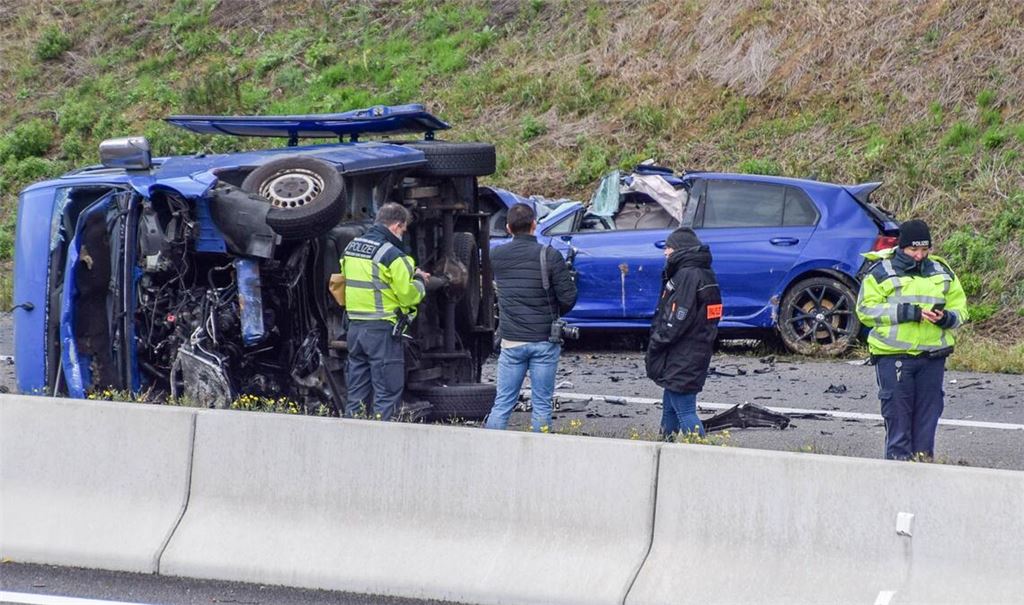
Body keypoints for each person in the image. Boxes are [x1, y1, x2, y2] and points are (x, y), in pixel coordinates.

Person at [856, 219, 968, 461]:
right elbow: (865, 310)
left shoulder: (942, 271)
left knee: (927, 424)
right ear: (901, 247)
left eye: (924, 250)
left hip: (932, 357)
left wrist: (945, 318)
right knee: (898, 422)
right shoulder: (879, 272)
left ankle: (923, 470)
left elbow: (961, 310)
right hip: (894, 358)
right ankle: (896, 477)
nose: (919, 255)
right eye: (913, 250)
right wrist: (911, 313)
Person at [485, 203, 577, 432]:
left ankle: (488, 452)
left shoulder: (496, 255)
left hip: (512, 340)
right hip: (544, 340)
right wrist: (551, 314)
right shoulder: (550, 255)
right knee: (542, 405)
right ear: (534, 225)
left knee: (503, 404)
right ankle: (540, 457)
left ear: (508, 228)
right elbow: (569, 297)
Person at [341, 202, 429, 421]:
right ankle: (381, 445)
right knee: (386, 393)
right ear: (396, 226)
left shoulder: (351, 248)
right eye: (404, 230)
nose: (403, 234)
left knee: (357, 394)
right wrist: (419, 280)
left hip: (355, 329)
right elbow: (408, 295)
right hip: (382, 332)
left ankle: (352, 440)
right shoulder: (393, 256)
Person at [645, 227, 722, 439]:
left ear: (679, 249)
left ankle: (700, 454)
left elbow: (677, 318)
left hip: (684, 353)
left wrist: (658, 341)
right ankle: (663, 445)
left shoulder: (688, 275)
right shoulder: (704, 273)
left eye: (668, 247)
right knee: (670, 406)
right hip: (694, 349)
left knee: (685, 410)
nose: (665, 252)